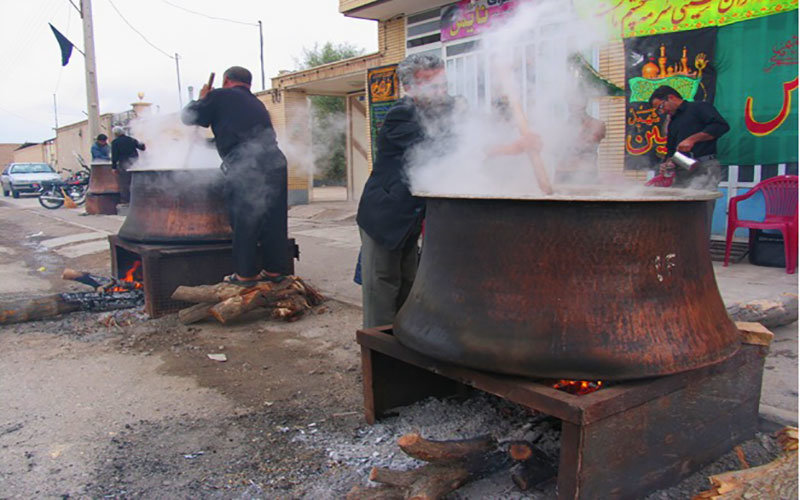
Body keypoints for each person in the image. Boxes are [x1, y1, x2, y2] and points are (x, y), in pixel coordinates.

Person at [356, 54, 454, 328]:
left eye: (442, 84)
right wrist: (504, 146)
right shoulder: (401, 114)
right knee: (382, 291)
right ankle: (377, 361)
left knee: (408, 287)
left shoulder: (439, 113)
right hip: (384, 218)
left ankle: (401, 350)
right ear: (410, 87)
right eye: (432, 85)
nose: (441, 91)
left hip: (409, 219)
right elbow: (440, 148)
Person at [181, 65, 288, 284]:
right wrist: (206, 143)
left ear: (227, 80)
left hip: (248, 166)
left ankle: (245, 275)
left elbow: (189, 117)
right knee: (273, 219)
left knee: (245, 219)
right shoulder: (256, 103)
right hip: (275, 162)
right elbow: (237, 138)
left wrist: (202, 98)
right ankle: (274, 271)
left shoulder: (219, 95)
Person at [648, 85, 729, 190]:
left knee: (700, 202)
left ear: (671, 97)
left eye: (661, 106)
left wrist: (693, 139)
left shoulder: (699, 107)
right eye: (659, 110)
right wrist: (667, 163)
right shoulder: (672, 121)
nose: (662, 112)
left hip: (704, 166)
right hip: (682, 169)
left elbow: (721, 126)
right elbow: (671, 149)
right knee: (681, 202)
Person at [111, 126, 146, 204]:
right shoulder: (131, 139)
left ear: (115, 134)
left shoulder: (115, 142)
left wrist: (114, 167)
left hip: (124, 164)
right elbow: (142, 147)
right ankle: (138, 199)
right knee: (136, 181)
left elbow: (114, 155)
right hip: (135, 163)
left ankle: (126, 201)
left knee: (124, 183)